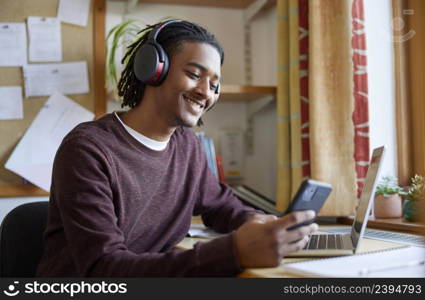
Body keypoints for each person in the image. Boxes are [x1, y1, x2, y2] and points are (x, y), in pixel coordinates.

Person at [37, 19, 318, 277]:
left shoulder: (187, 146)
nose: (206, 92)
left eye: (214, 85)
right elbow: (103, 268)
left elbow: (220, 206)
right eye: (195, 74)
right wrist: (232, 251)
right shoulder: (89, 149)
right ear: (153, 68)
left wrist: (261, 225)